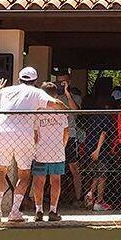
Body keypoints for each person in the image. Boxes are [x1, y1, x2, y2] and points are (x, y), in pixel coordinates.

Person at [0, 66, 63, 223]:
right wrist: (65, 109)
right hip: (24, 135)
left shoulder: (6, 91)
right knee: (24, 174)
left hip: (3, 133)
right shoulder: (36, 92)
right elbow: (56, 104)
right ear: (35, 81)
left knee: (0, 171)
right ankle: (14, 212)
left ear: (19, 79)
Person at [32, 82, 68, 222]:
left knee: (39, 181)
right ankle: (53, 210)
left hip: (41, 150)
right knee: (56, 180)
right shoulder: (61, 111)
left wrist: (35, 147)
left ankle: (39, 210)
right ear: (55, 95)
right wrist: (62, 146)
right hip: (57, 150)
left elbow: (35, 134)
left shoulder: (38, 111)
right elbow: (66, 132)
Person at [82, 77, 115, 211]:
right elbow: (103, 133)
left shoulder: (92, 115)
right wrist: (98, 149)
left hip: (90, 146)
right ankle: (99, 200)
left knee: (96, 174)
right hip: (100, 149)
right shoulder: (105, 116)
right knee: (102, 175)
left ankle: (90, 194)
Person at [53, 70, 84, 205]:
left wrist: (66, 92)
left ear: (69, 82)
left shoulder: (74, 96)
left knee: (74, 168)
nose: (61, 84)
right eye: (58, 82)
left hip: (70, 135)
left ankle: (78, 198)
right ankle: (53, 198)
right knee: (53, 168)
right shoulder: (53, 97)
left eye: (63, 82)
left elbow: (76, 111)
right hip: (54, 137)